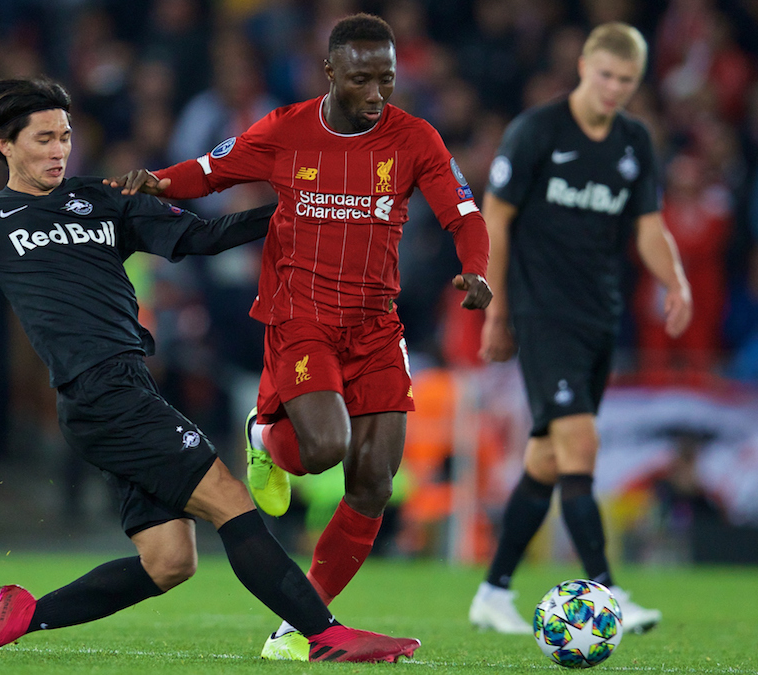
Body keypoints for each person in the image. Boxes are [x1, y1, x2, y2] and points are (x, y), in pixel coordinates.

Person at [0, 76, 420, 663]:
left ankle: (26, 613)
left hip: (123, 385)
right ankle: (326, 636)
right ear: (5, 144)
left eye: (65, 136)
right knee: (230, 499)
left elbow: (203, 237)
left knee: (169, 561)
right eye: (42, 139)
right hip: (97, 390)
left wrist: (298, 207)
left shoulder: (101, 198)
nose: (59, 150)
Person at [107, 13, 492, 660]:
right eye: (363, 78)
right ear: (331, 73)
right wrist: (156, 181)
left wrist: (476, 268)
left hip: (375, 325)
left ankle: (302, 627)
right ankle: (265, 434)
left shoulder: (415, 138)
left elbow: (464, 212)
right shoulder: (286, 130)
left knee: (373, 480)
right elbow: (210, 170)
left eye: (388, 78)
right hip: (301, 318)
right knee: (323, 450)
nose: (377, 93)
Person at [469, 22, 693, 635]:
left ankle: (492, 591)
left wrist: (677, 281)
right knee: (581, 446)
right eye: (606, 76)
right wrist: (497, 307)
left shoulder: (634, 141)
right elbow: (498, 219)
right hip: (543, 315)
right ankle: (609, 591)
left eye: (627, 80)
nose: (614, 89)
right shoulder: (537, 131)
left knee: (546, 459)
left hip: (600, 315)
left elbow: (649, 224)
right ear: (584, 68)